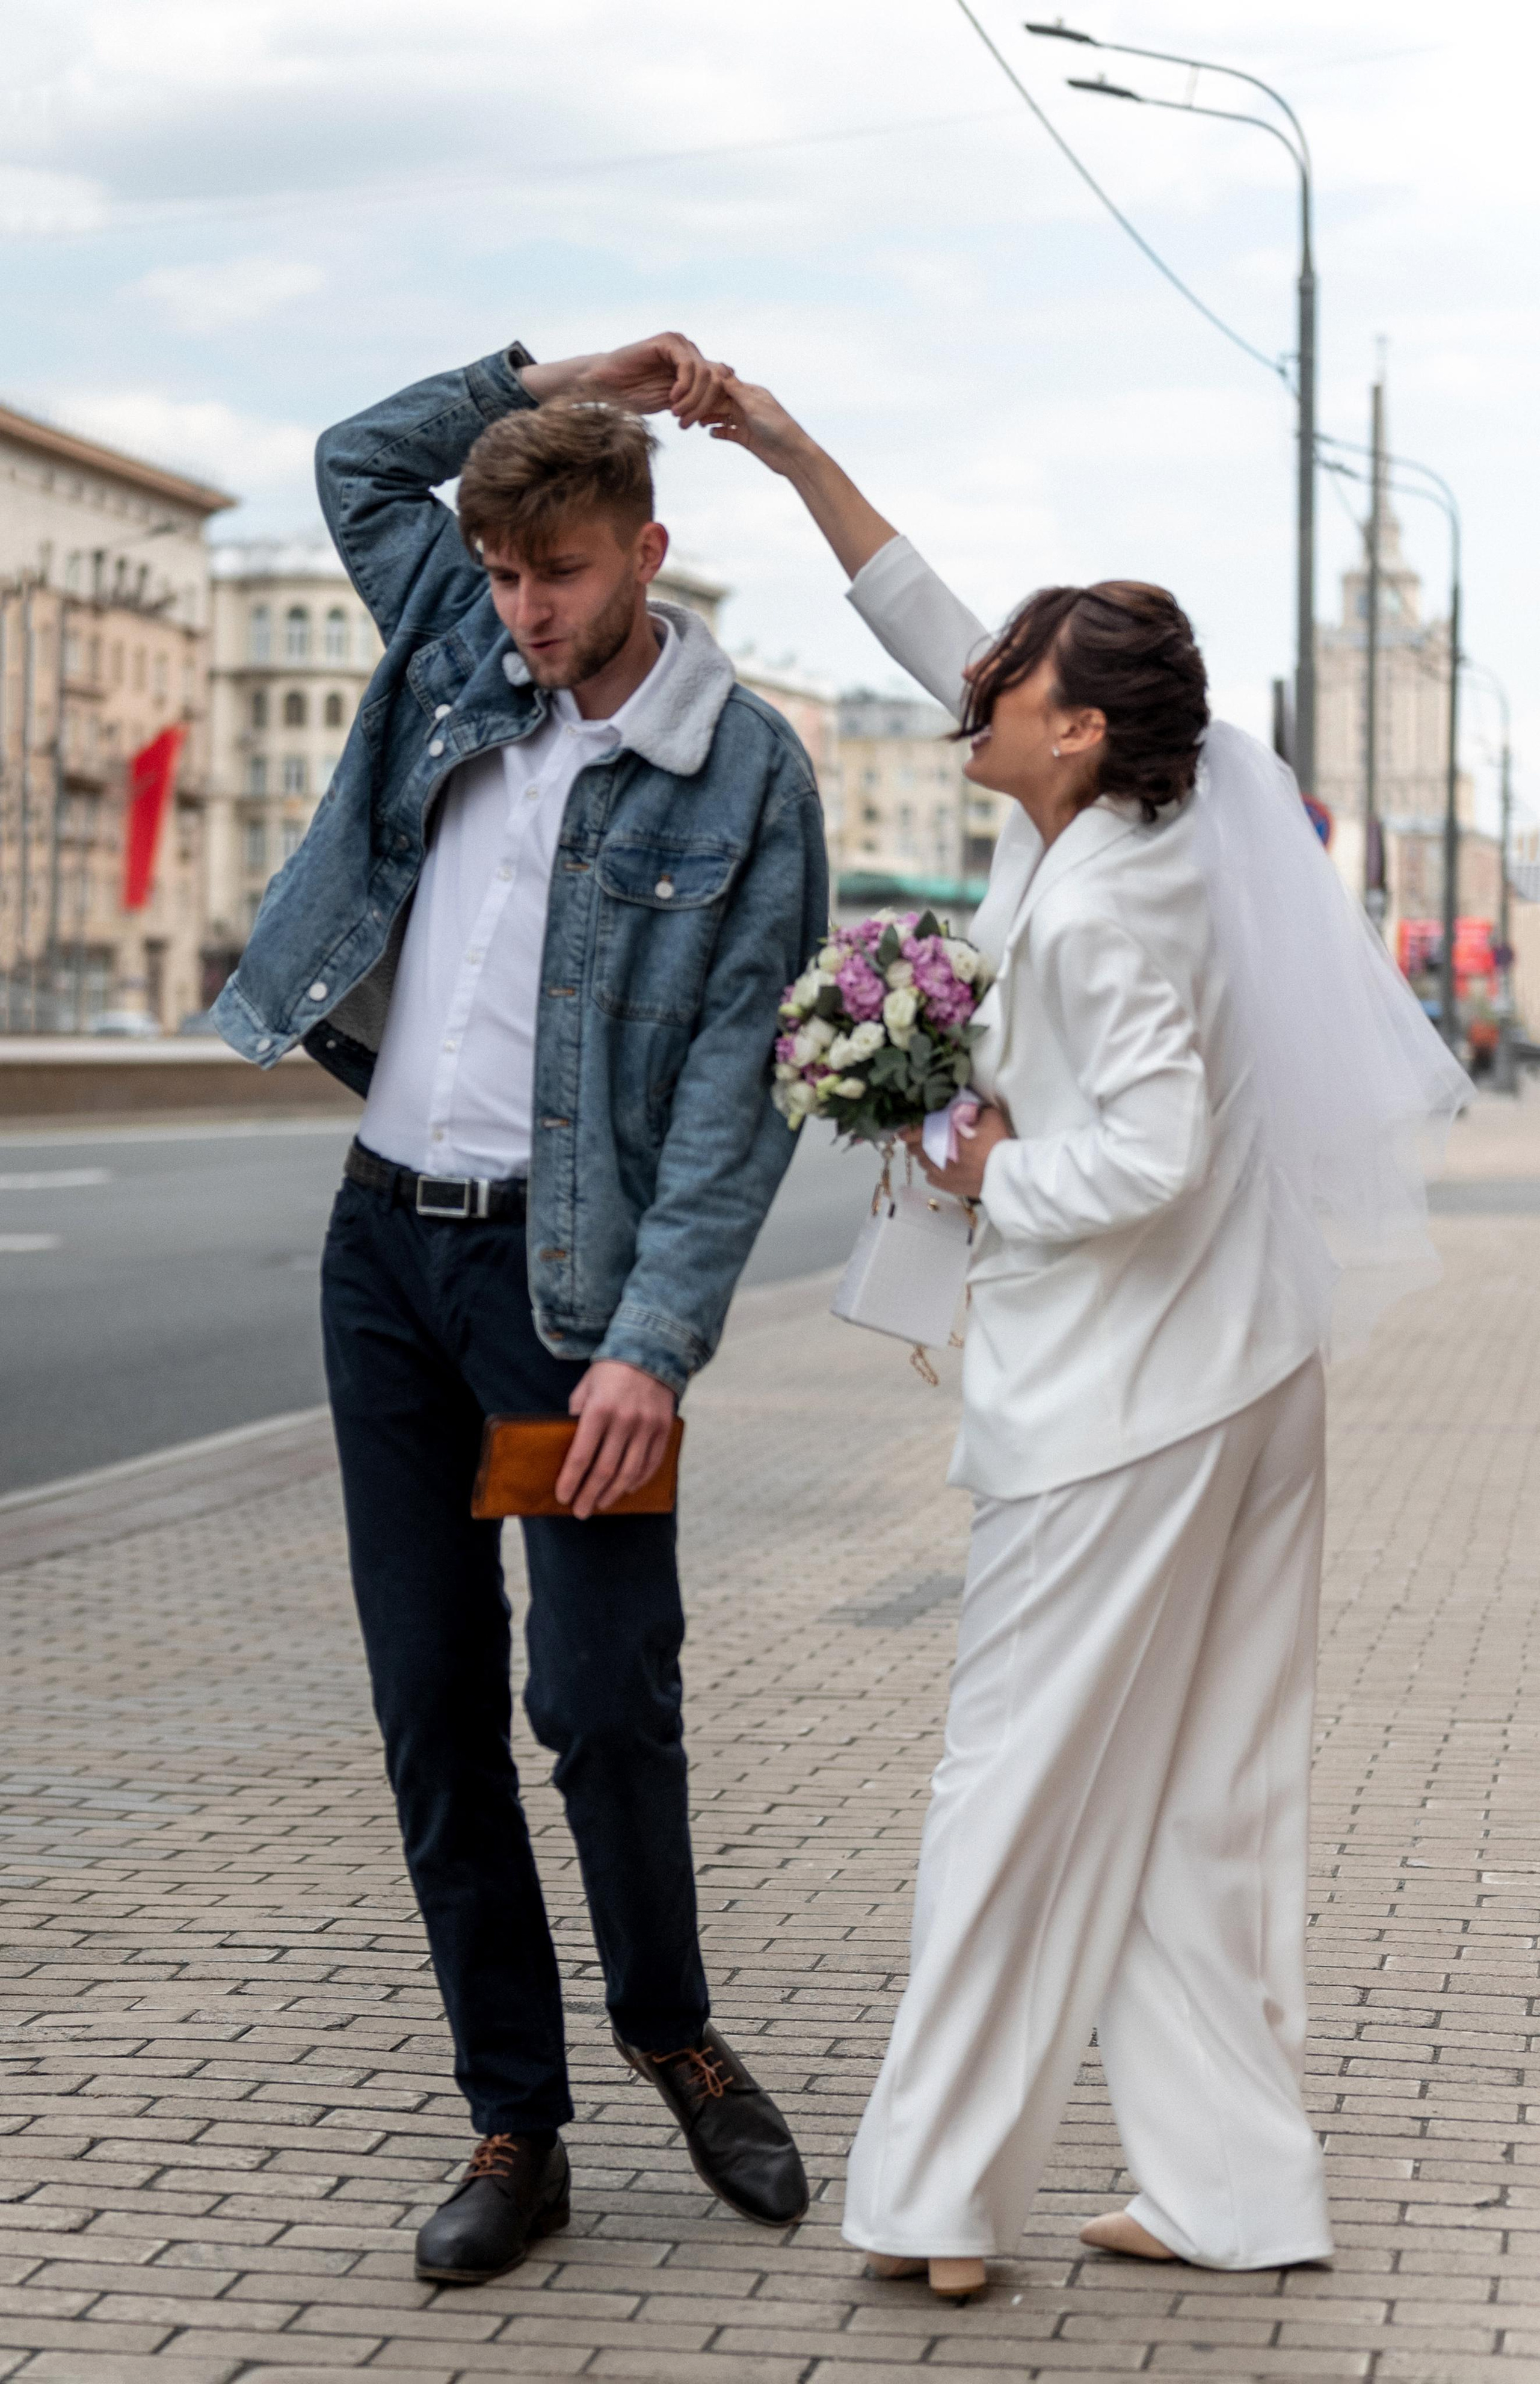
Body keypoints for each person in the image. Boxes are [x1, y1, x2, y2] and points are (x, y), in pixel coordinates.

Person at [704, 375, 1470, 2299]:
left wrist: (971, 1163)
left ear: (1078, 720)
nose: (976, 690)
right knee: (1194, 1787)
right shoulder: (1145, 804)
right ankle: (1229, 2191)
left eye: (1010, 675)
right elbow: (920, 606)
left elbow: (1144, 1152)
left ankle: (941, 2200)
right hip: (1241, 1371)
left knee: (1014, 1777)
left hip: (1129, 1409)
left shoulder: (1116, 900)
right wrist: (788, 453)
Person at [213, 333, 827, 2282]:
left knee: (596, 1695)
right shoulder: (462, 648)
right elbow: (348, 458)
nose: (520, 611)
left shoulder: (744, 778)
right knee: (435, 1709)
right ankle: (516, 2120)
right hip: (386, 1258)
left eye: (554, 573)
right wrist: (560, 373)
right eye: (495, 575)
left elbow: (737, 1095)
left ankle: (673, 2027)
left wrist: (656, 1337)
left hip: (570, 1303)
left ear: (645, 549)